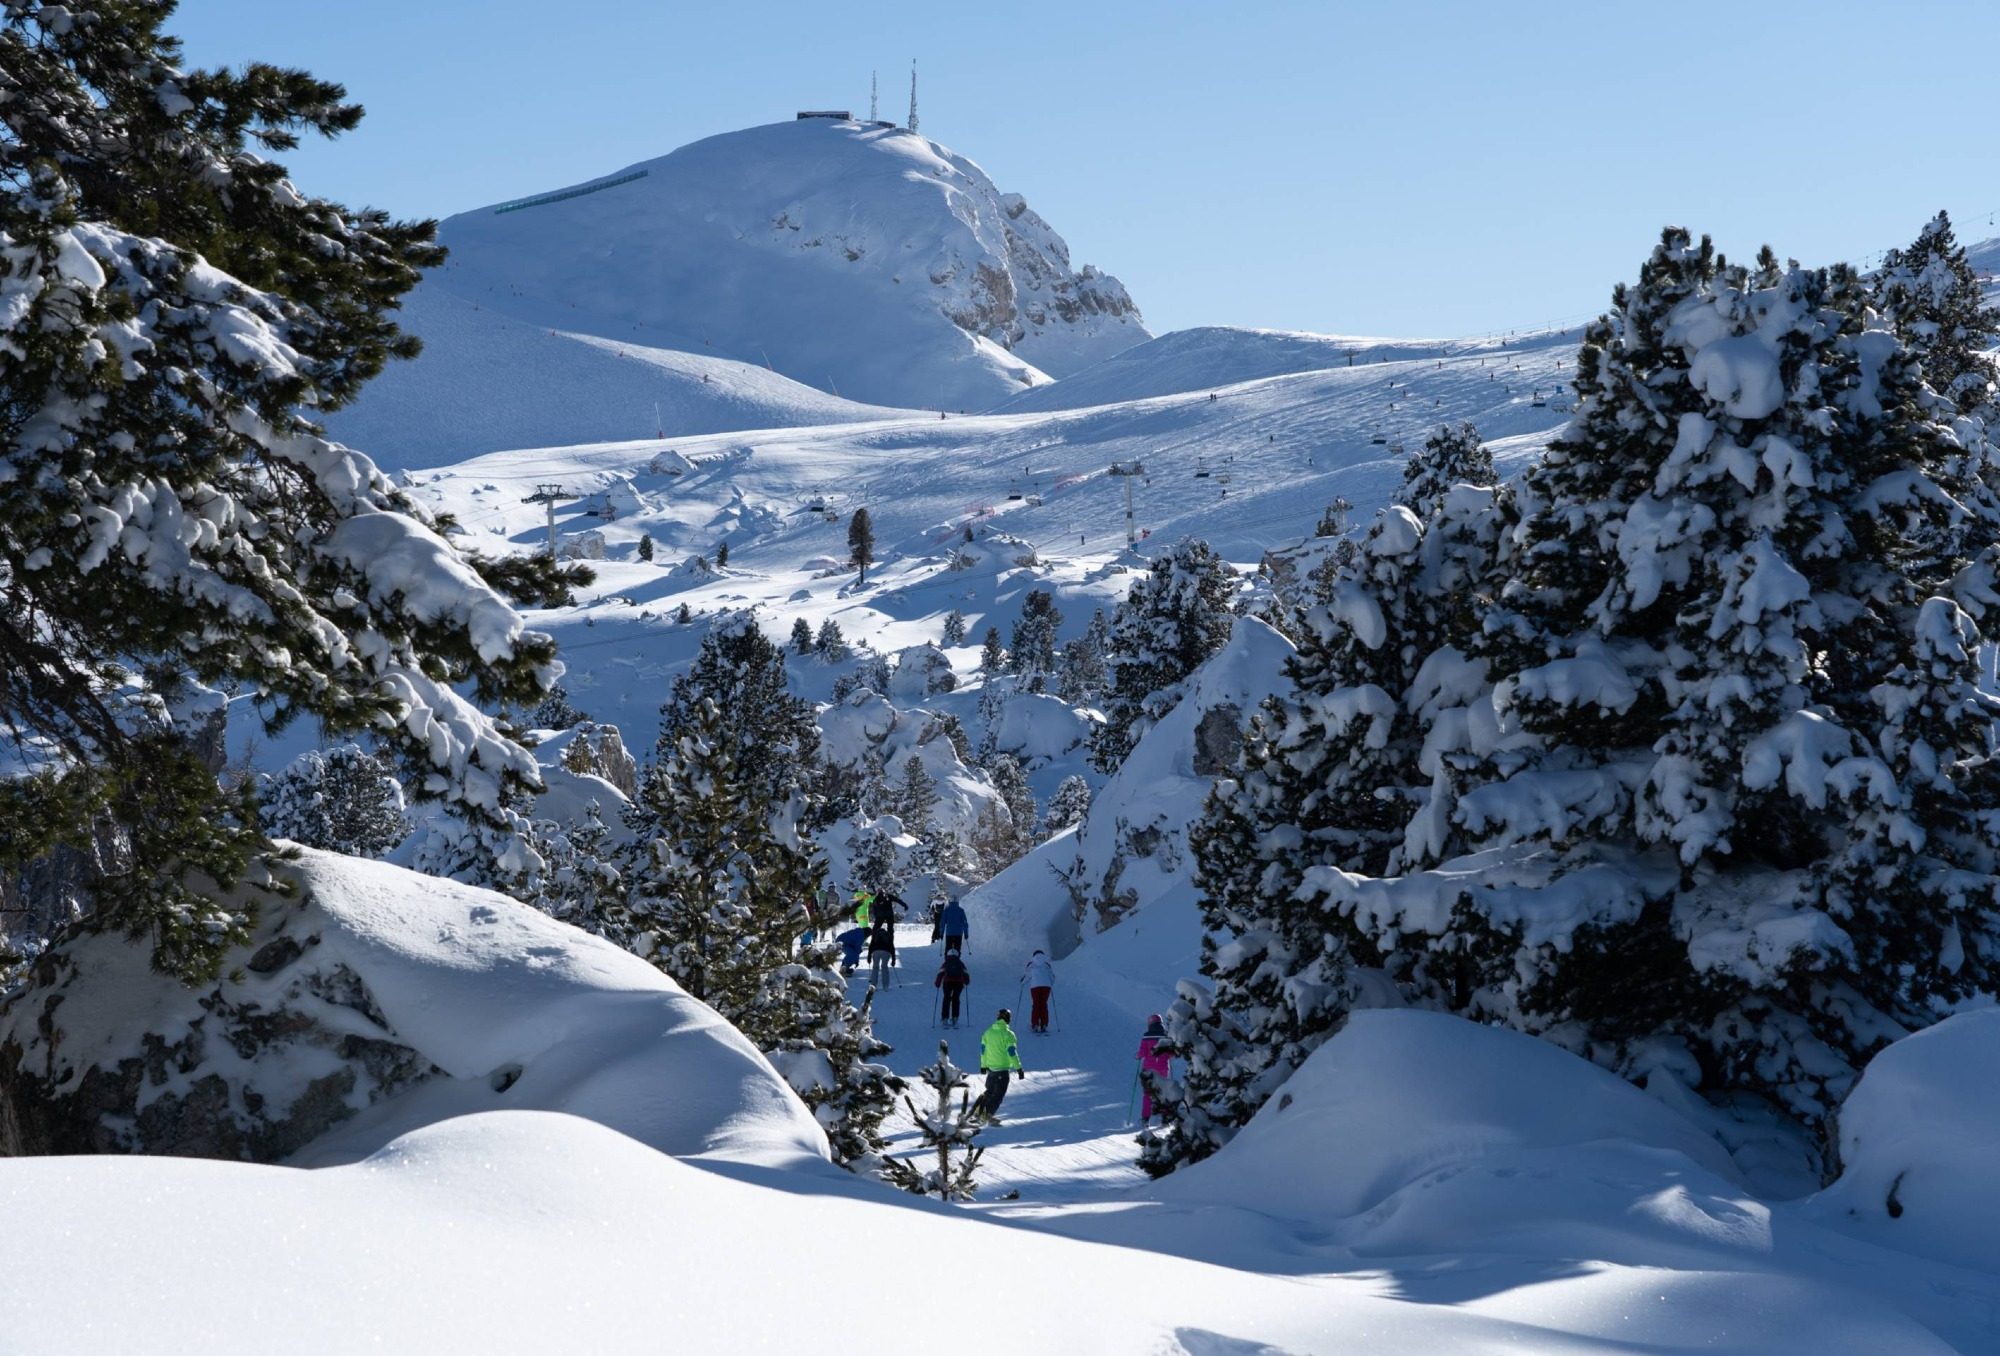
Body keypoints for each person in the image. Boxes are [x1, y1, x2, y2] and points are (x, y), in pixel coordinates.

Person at [973, 1007, 1023, 1122]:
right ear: (1007, 1019)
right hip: (1002, 1070)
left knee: (989, 1091)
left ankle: (978, 1111)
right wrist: (1019, 1068)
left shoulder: (988, 1032)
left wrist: (983, 1065)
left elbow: (983, 1050)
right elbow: (1012, 1052)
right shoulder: (1008, 1034)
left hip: (991, 1069)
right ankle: (987, 1115)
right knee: (998, 1095)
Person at [1136, 1014, 1171, 1120]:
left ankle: (1145, 1118)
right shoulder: (1166, 1036)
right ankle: (1166, 1117)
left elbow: (1142, 1053)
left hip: (1149, 1069)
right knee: (1163, 1092)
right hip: (1163, 1068)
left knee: (1148, 1094)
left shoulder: (1146, 1036)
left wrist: (1137, 1056)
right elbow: (1171, 1053)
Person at [1021, 949, 1055, 1034]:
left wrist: (1022, 982)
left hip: (1035, 987)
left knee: (1036, 1005)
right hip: (1046, 987)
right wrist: (1050, 983)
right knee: (1043, 1004)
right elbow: (1052, 977)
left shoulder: (1031, 964)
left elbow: (1027, 976)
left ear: (1034, 955)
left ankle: (1035, 1024)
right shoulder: (1046, 964)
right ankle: (1044, 1024)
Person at [934, 952, 970, 1027]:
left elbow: (940, 973)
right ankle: (955, 1018)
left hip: (947, 982)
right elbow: (965, 973)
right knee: (956, 999)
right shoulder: (960, 963)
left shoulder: (946, 963)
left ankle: (945, 1018)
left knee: (946, 999)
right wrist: (966, 982)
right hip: (959, 983)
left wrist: (938, 983)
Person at [867, 914, 896, 989]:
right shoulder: (887, 935)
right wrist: (893, 959)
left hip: (876, 951)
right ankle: (885, 986)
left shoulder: (875, 935)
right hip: (886, 951)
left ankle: (873, 985)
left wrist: (869, 957)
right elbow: (892, 947)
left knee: (875, 967)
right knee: (884, 967)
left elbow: (871, 946)